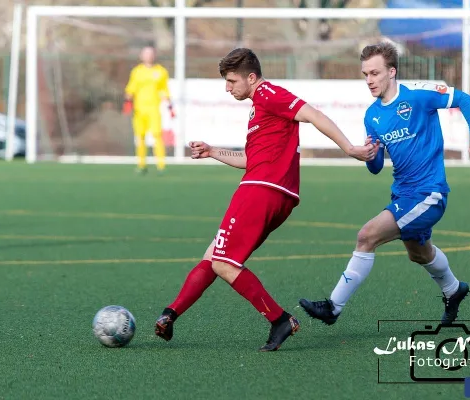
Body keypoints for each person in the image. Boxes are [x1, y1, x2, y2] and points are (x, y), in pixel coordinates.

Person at [154, 48, 376, 352]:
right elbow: (250, 158)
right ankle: (170, 315)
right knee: (215, 257)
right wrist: (213, 151)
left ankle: (279, 319)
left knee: (223, 262)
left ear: (251, 77)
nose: (227, 87)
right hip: (274, 192)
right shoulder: (259, 107)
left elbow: (313, 114)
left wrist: (349, 148)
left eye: (232, 81)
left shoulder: (269, 93)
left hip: (260, 190)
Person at [299, 42, 470, 327]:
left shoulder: (418, 96)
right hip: (403, 192)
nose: (369, 80)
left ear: (391, 71)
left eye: (374, 73)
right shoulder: (372, 116)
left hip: (429, 193)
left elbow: (463, 99)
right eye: (365, 74)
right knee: (419, 253)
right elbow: (375, 167)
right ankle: (453, 289)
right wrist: (371, 156)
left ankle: (333, 308)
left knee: (367, 236)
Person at [123, 46, 175, 174]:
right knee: (140, 136)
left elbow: (164, 90)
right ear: (141, 56)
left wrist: (170, 107)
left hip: (154, 109)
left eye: (151, 54)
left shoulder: (161, 71)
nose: (148, 56)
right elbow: (131, 88)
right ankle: (141, 165)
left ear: (154, 56)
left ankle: (161, 165)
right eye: (146, 54)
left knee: (157, 135)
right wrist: (128, 102)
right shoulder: (137, 71)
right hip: (139, 110)